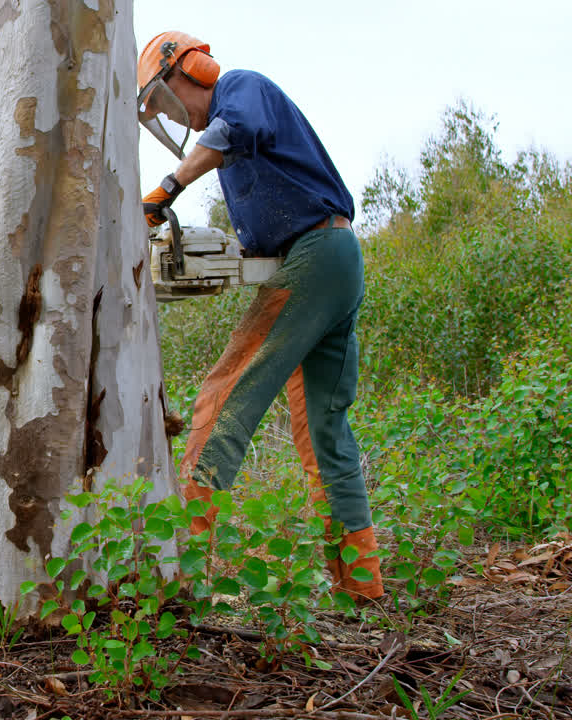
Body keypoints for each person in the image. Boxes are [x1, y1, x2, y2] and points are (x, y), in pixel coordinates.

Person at [135, 31, 382, 601]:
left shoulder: (240, 91)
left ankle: (183, 572)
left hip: (316, 257)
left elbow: (233, 129)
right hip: (334, 258)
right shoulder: (233, 151)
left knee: (223, 397)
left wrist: (166, 189)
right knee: (323, 431)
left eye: (167, 102)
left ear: (192, 71)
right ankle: (362, 589)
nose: (173, 117)